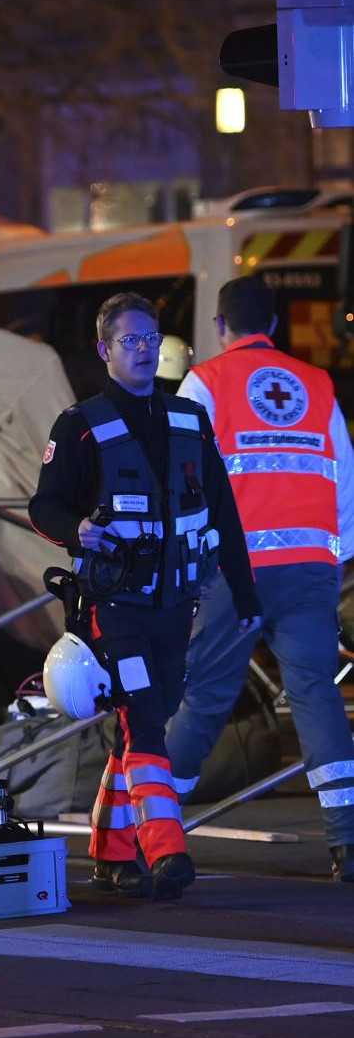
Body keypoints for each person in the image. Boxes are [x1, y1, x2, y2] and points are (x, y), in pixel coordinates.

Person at [29, 291, 261, 899]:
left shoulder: (188, 419)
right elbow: (43, 506)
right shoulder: (79, 426)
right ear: (104, 350)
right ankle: (167, 851)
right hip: (115, 606)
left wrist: (244, 590)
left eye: (151, 339)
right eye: (130, 341)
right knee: (146, 723)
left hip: (175, 606)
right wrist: (77, 529)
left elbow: (225, 512)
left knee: (138, 727)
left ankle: (109, 853)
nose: (143, 350)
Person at [166, 274, 354, 881]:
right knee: (316, 695)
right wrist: (335, 555)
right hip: (311, 571)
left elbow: (182, 477)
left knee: (206, 697)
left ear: (220, 327)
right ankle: (347, 840)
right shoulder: (319, 385)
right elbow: (344, 479)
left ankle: (153, 828)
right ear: (274, 324)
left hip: (235, 573)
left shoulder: (208, 381)